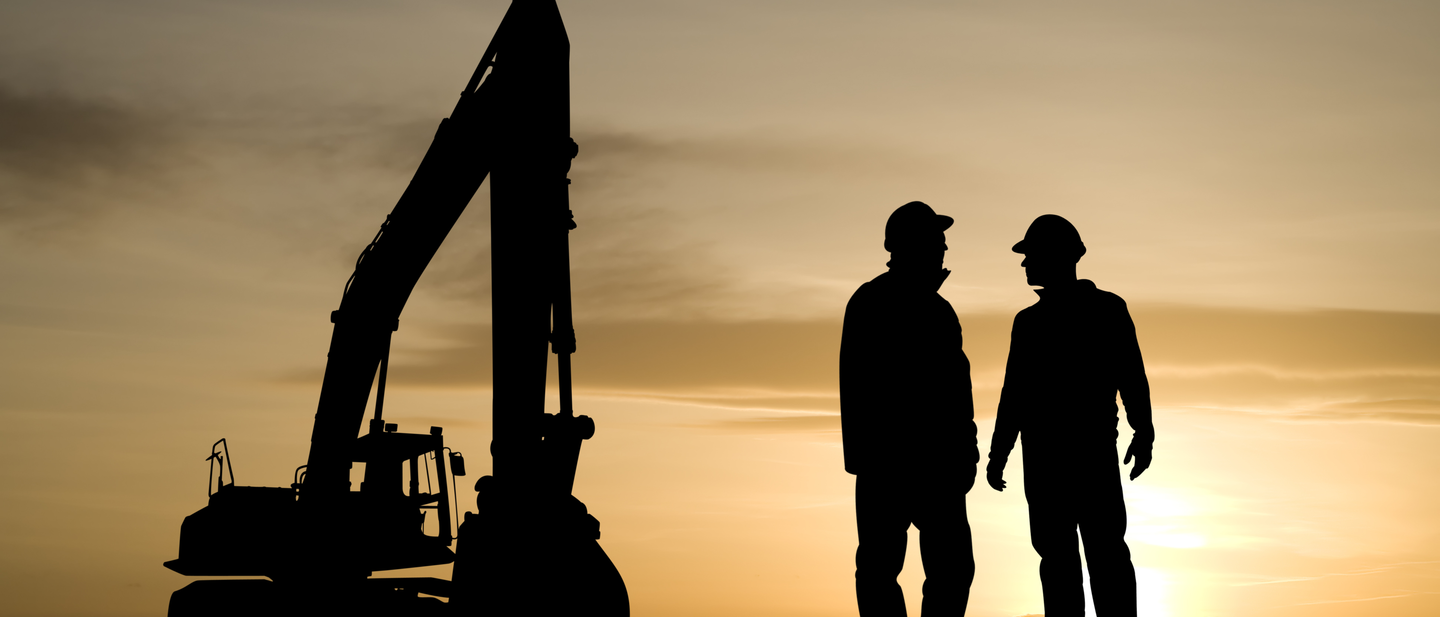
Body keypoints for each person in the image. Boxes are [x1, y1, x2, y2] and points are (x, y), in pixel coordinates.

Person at [985, 214, 1154, 617]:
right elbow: (1016, 396)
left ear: (1057, 257)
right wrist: (998, 452)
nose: (1024, 265)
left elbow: (1130, 376)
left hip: (1073, 460)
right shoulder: (1031, 323)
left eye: (1031, 255)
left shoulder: (1100, 312)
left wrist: (1143, 432)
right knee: (1073, 559)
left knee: (1097, 556)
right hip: (1058, 462)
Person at [840, 201, 979, 617]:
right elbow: (861, 387)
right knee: (887, 567)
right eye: (936, 240)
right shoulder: (880, 303)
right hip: (902, 463)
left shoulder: (932, 308)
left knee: (941, 568)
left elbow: (956, 390)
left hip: (924, 463)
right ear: (908, 245)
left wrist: (966, 450)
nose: (944, 249)